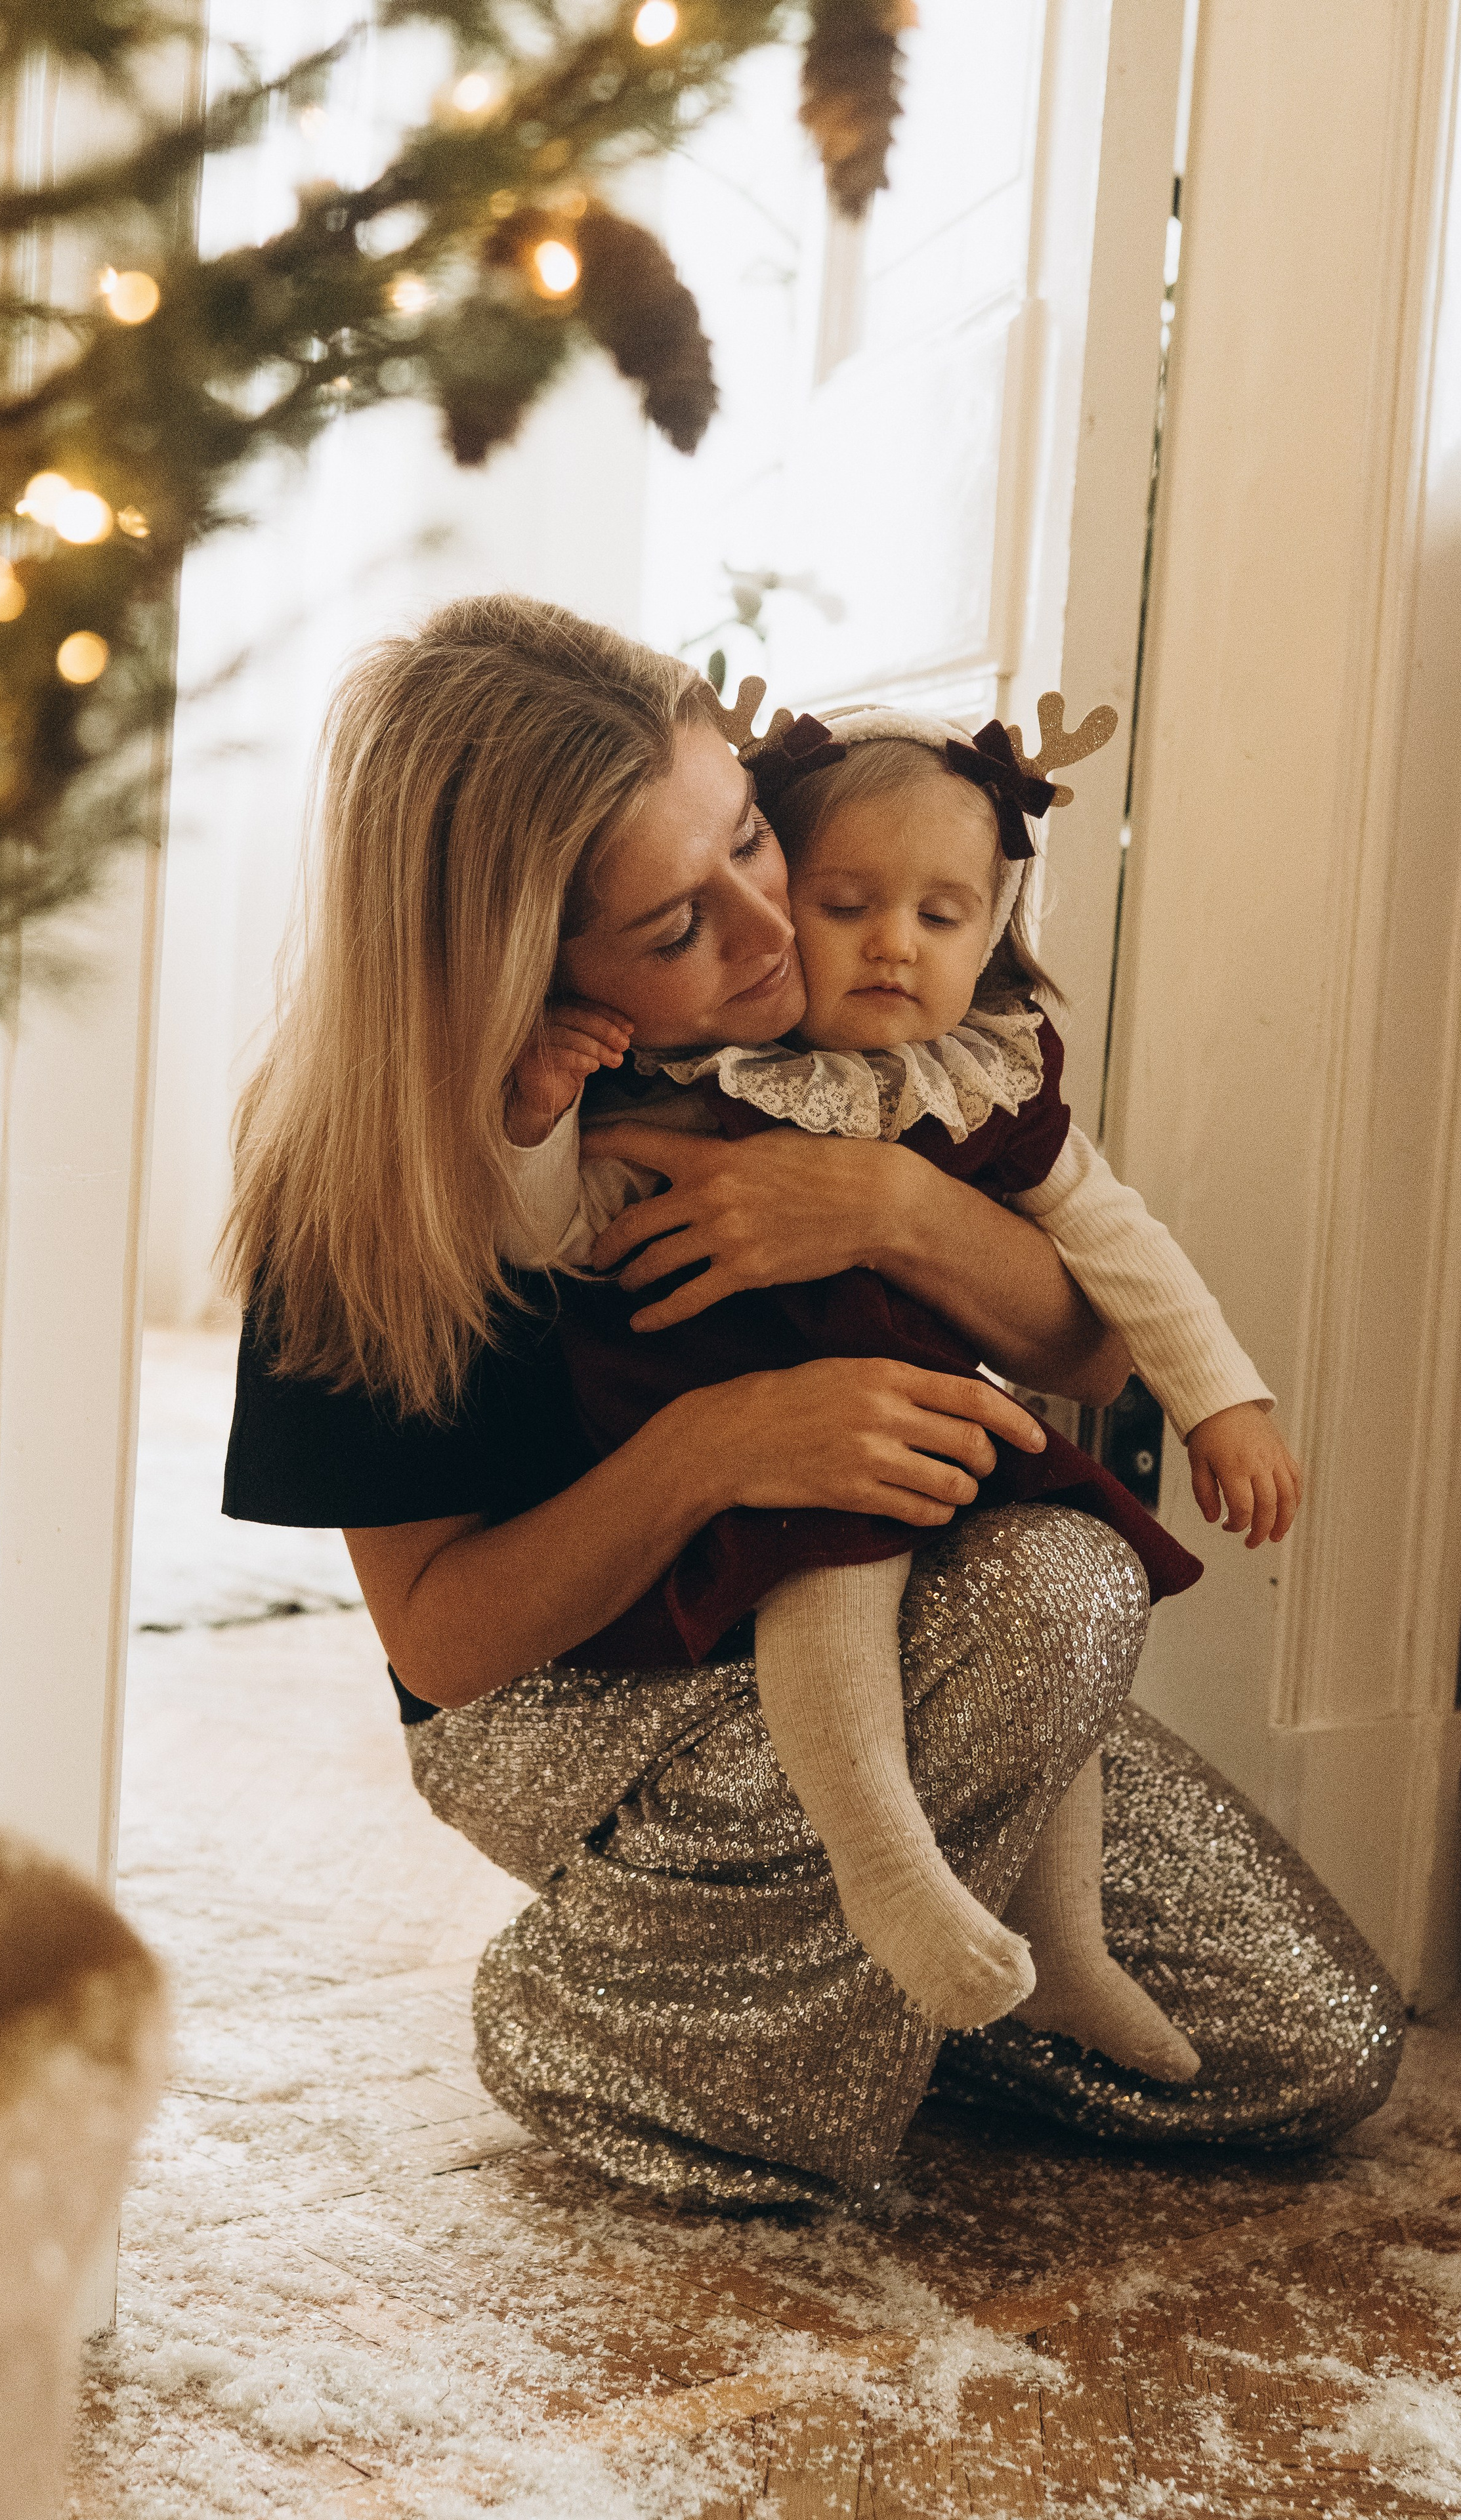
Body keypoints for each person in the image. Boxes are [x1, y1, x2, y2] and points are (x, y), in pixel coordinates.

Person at [221, 592, 1402, 2210]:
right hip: (579, 1690)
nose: (771, 933)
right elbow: (444, 1645)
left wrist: (884, 1209)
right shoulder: (391, 1184)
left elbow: (1093, 1354)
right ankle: (607, 2025)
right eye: (672, 930)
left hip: (909, 1629)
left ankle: (833, 1979)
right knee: (1044, 1588)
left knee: (1309, 2050)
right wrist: (722, 1446)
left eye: (748, 847)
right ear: (522, 965)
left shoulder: (872, 1061)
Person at [496, 700, 1300, 2074]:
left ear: (993, 931)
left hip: (927, 1420)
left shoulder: (980, 1082)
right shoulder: (702, 1074)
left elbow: (1115, 1245)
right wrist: (534, 1127)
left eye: (940, 917)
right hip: (758, 1447)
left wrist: (1220, 1400)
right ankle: (886, 1873)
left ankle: (1067, 1953)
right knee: (838, 1563)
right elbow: (552, 1240)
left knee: (1077, 1588)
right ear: (775, 900)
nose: (889, 944)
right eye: (844, 903)